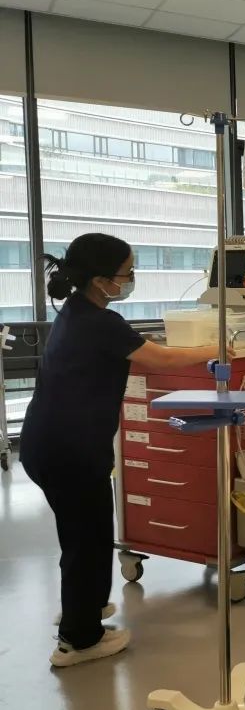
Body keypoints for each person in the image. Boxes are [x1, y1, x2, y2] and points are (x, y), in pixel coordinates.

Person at [20, 234, 221, 668]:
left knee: (86, 533)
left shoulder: (75, 311)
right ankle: (78, 641)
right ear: (100, 280)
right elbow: (162, 360)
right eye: (127, 272)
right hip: (70, 452)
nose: (131, 279)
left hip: (48, 443)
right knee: (85, 540)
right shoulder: (100, 323)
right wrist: (220, 347)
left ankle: (85, 609)